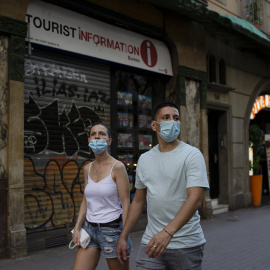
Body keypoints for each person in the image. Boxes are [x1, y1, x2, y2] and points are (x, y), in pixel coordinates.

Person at [116, 102, 209, 270]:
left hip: (186, 245)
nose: (172, 121)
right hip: (151, 243)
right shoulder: (145, 159)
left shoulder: (192, 155)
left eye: (176, 118)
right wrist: (124, 236)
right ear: (154, 125)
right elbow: (137, 202)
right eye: (166, 118)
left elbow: (195, 200)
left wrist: (167, 233)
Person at [72, 122, 132, 270]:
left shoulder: (117, 167)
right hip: (90, 230)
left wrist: (124, 236)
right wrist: (77, 228)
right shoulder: (87, 168)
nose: (97, 136)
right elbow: (86, 201)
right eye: (93, 134)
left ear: (109, 140)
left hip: (112, 230)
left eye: (102, 134)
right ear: (89, 140)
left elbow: (126, 203)